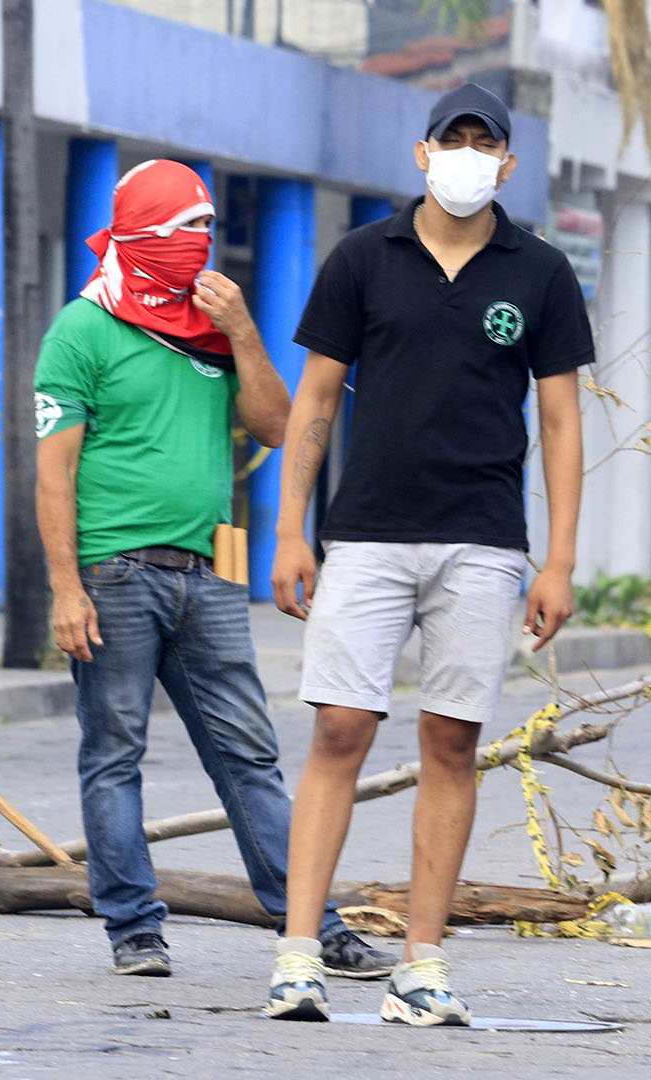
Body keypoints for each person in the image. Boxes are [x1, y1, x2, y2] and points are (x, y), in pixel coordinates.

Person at [264, 84, 591, 1025]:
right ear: (423, 153)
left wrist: (558, 561)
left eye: (486, 145)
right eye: (455, 141)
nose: (468, 157)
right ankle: (296, 957)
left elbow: (562, 423)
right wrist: (292, 529)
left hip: (483, 540)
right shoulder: (364, 257)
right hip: (365, 533)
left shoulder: (541, 272)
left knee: (453, 742)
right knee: (339, 732)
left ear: (508, 166)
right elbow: (316, 398)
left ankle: (423, 963)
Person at [35, 159, 397, 981]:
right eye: (188, 230)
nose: (203, 245)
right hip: (114, 574)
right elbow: (53, 472)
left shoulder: (208, 327)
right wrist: (65, 586)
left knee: (249, 755)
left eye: (207, 229)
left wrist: (241, 332)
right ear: (146, 235)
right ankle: (134, 929)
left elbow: (275, 425)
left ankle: (311, 926)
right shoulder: (82, 330)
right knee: (114, 752)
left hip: (209, 574)